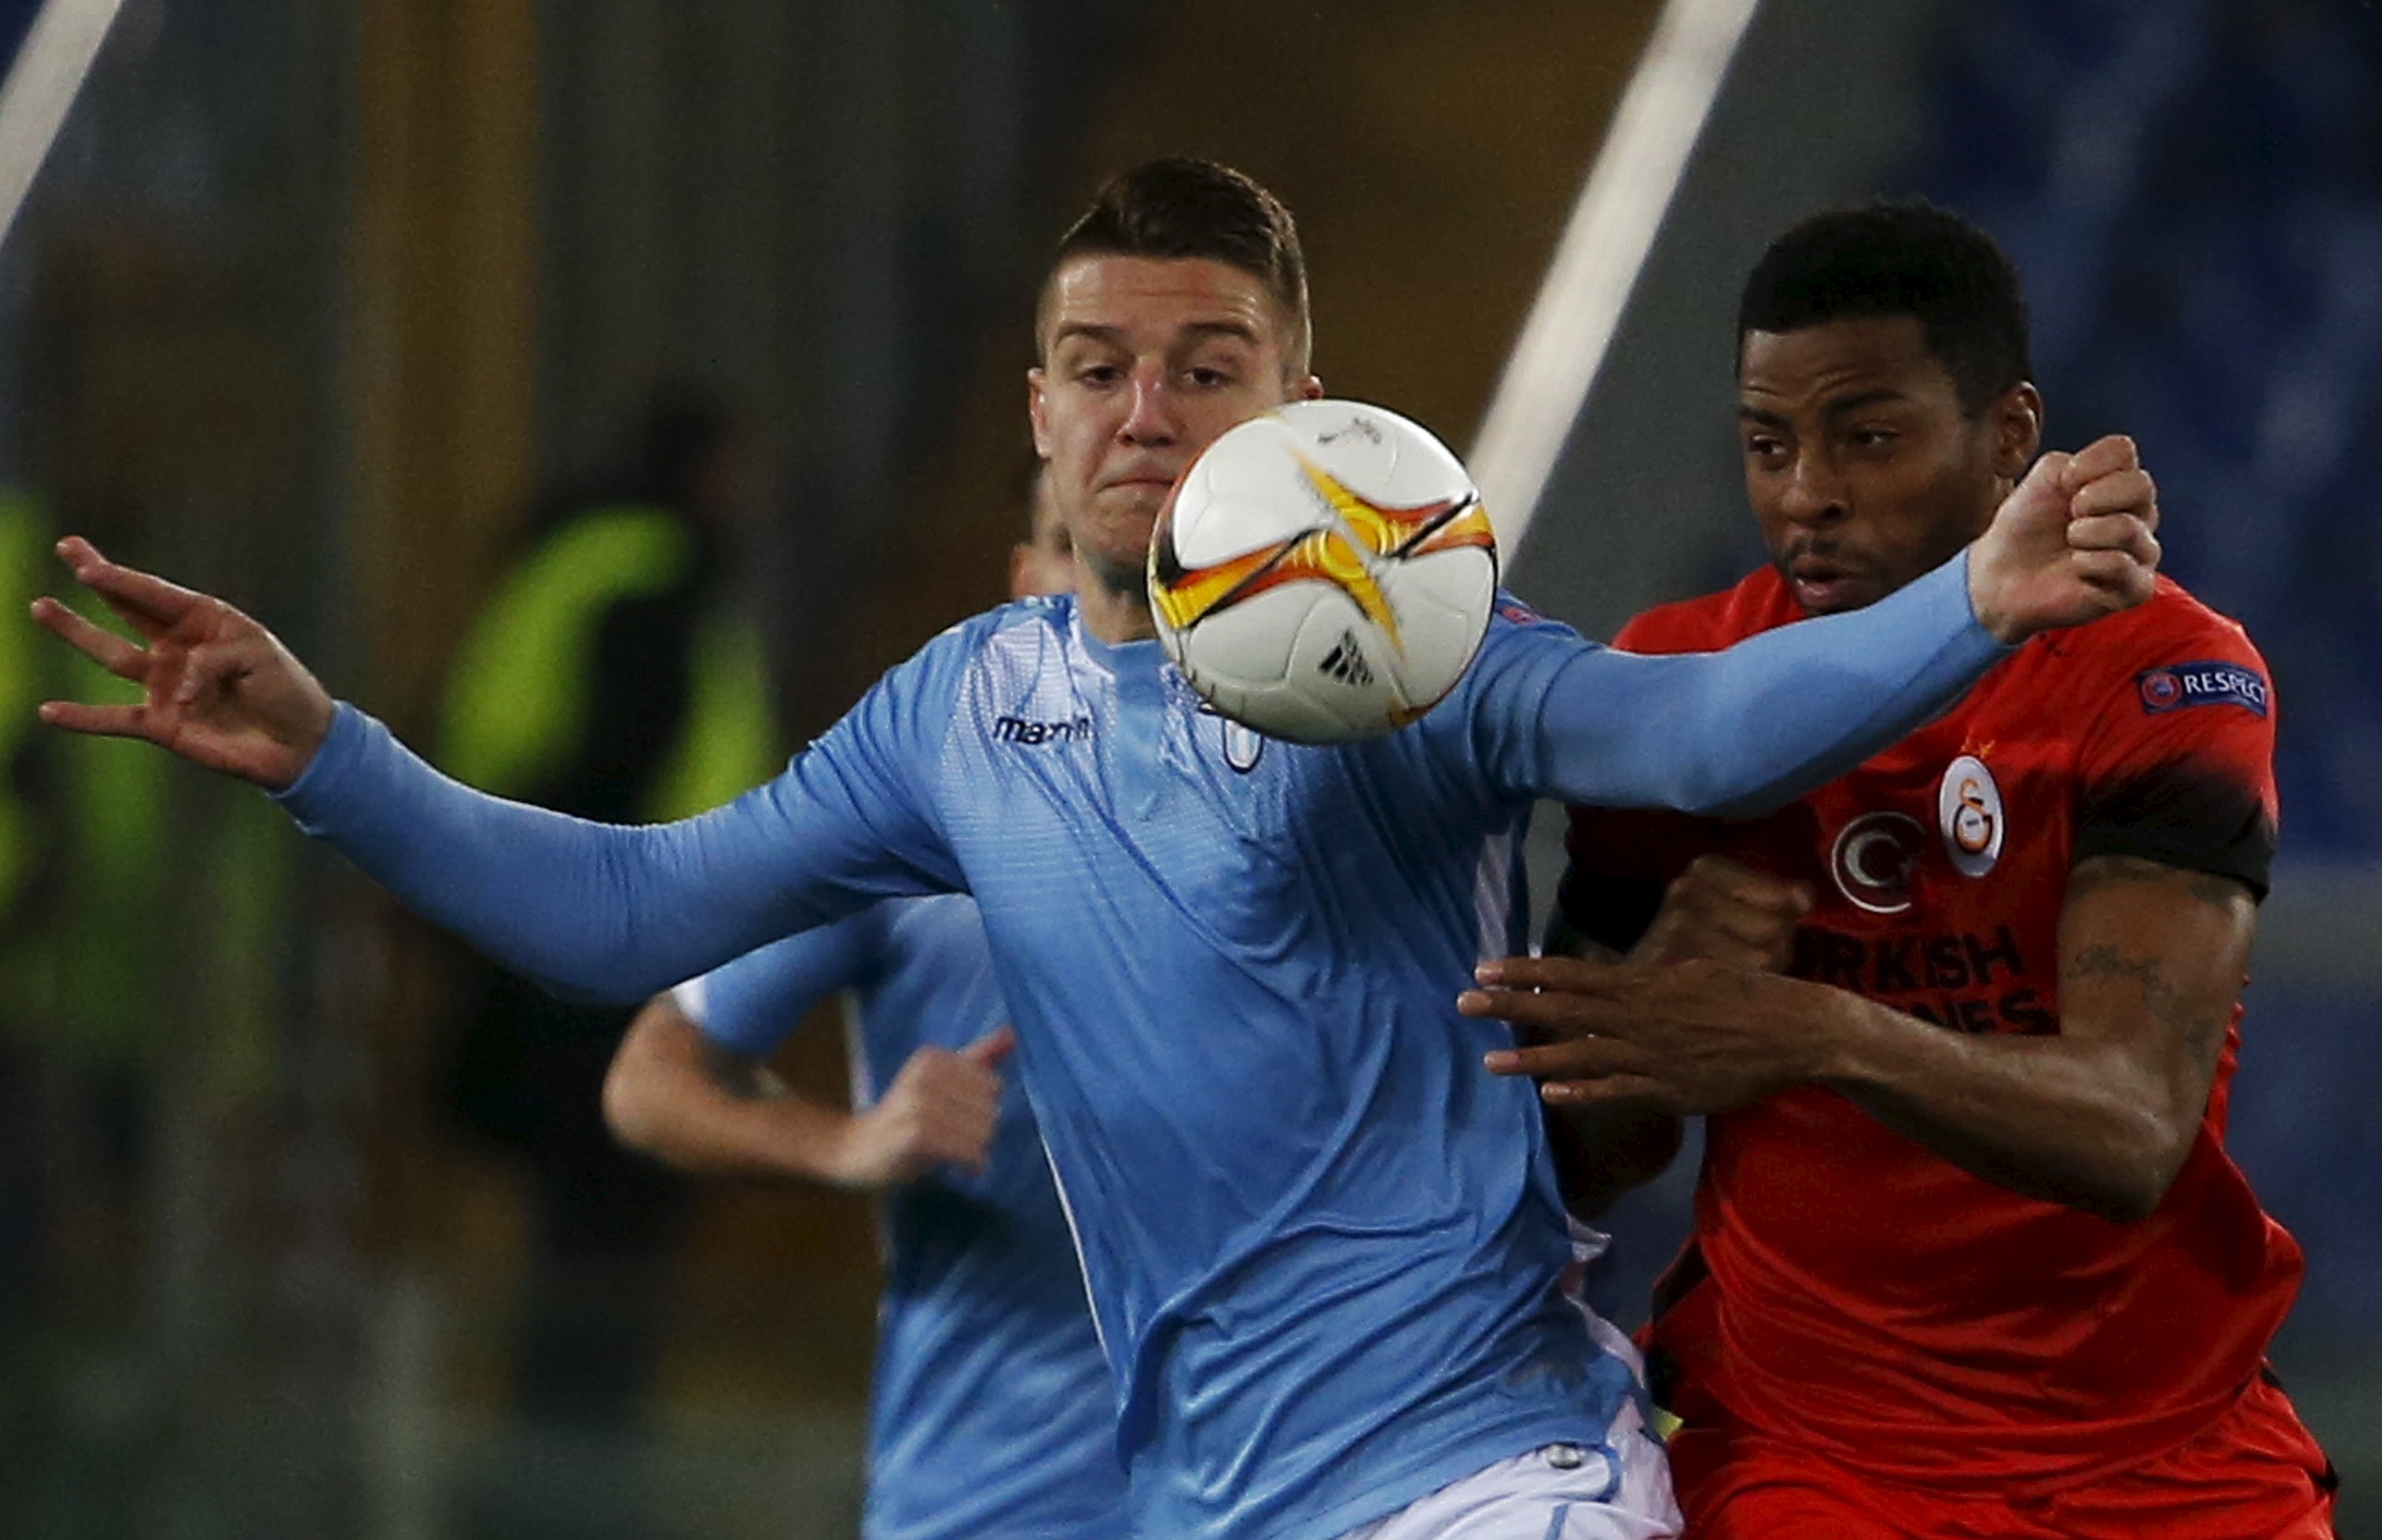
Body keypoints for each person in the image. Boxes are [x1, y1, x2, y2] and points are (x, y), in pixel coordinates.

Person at [33, 159, 2162, 1540]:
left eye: (1204, 367)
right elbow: (633, 918)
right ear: (1042, 414)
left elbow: (1680, 723)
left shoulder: (1399, 647)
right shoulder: (961, 714)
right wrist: (332, 754)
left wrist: (1961, 602)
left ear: (1297, 401)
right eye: (1097, 369)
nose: (1147, 411)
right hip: (1193, 1502)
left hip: (1483, 1477)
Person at [1469, 201, 2334, 1538]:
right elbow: (1583, 1163)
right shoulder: (1677, 685)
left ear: (2005, 435)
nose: (1804, 490)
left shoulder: (2162, 674)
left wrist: (1811, 1031)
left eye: (1865, 436)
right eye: (1768, 444)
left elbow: (2129, 1130)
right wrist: (1657, 1012)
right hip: (1808, 1456)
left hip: (2159, 1449)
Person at [599, 465, 1130, 1538]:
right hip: (996, 1504)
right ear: (1025, 580)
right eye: (1082, 547)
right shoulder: (906, 829)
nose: (1119, 588)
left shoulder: (1334, 832)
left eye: (1157, 556)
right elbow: (649, 1077)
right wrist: (847, 1144)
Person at [427, 388, 781, 1532]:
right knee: (602, 1257)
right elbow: (617, 771)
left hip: (551, 945)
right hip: (611, 963)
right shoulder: (653, 580)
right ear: (712, 473)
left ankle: (553, 1486)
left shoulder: (583, 560)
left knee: (572, 1248)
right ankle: (567, 1500)